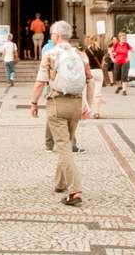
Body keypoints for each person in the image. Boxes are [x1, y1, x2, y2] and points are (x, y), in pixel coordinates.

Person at [30, 20, 93, 207]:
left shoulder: (50, 54)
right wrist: (88, 105)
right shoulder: (81, 54)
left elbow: (41, 82)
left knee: (64, 147)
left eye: (51, 35)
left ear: (56, 36)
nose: (51, 38)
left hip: (57, 104)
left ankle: (75, 191)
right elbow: (90, 80)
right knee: (65, 143)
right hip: (76, 105)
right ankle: (60, 183)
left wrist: (33, 102)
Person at [84, 36, 106, 119]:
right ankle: (97, 112)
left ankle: (88, 111)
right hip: (99, 72)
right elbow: (103, 64)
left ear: (89, 41)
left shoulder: (86, 51)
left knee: (89, 93)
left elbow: (85, 63)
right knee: (97, 94)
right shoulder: (101, 51)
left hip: (90, 72)